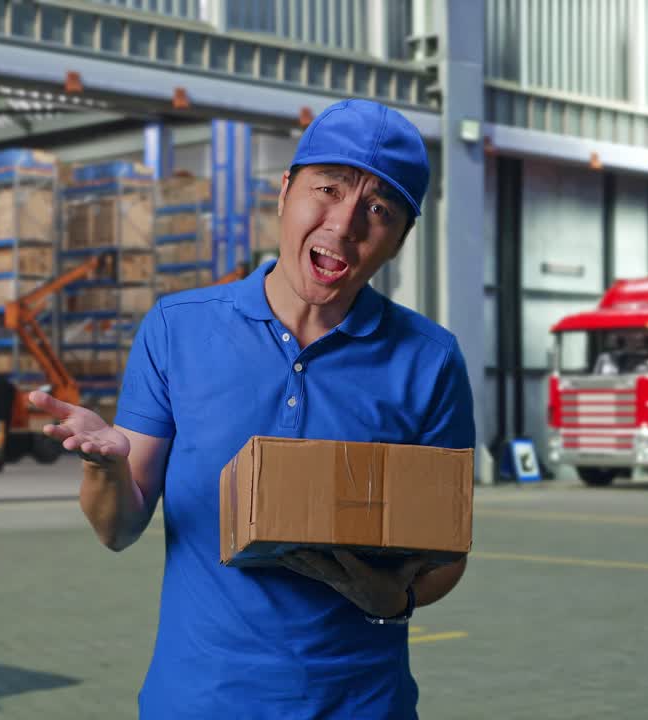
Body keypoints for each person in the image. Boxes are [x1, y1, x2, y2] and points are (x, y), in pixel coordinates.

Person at [30, 99, 476, 718]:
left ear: (399, 238)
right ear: (285, 191)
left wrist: (393, 597)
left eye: (378, 209)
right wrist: (105, 470)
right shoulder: (177, 331)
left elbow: (445, 555)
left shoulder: (429, 362)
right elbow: (117, 529)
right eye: (328, 188)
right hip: (201, 701)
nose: (344, 224)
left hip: (361, 704)